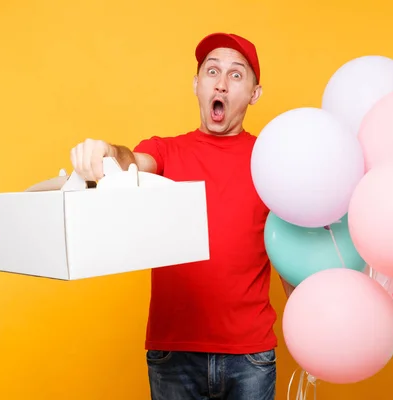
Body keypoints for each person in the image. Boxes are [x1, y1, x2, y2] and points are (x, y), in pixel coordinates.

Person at [69, 32, 294, 400]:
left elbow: (289, 251)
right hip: (173, 354)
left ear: (255, 93)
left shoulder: (269, 158)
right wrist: (106, 152)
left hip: (250, 356)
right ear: (196, 84)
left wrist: (314, 326)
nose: (221, 83)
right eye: (212, 71)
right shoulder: (165, 152)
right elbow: (130, 164)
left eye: (236, 75)